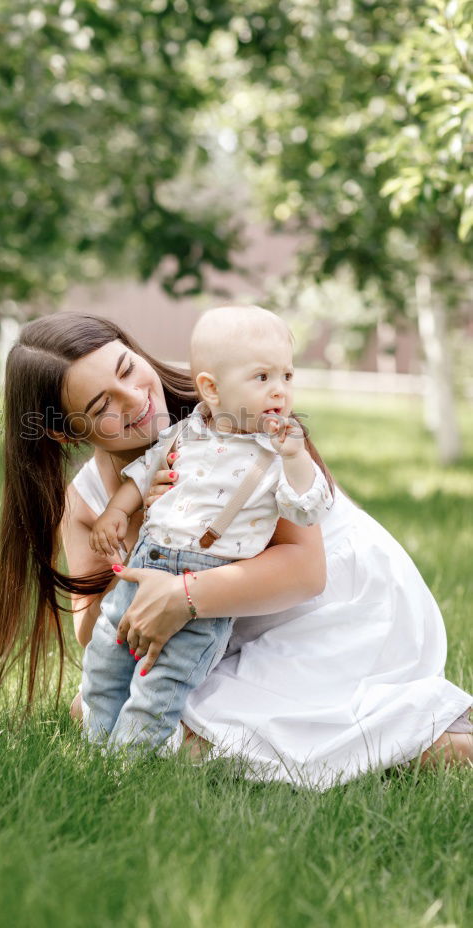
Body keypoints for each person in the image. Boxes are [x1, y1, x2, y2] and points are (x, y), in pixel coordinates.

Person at [0, 310, 472, 787]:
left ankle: (431, 739)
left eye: (127, 368)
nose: (136, 398)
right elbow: (97, 634)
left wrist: (184, 594)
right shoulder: (88, 502)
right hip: (232, 616)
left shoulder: (238, 416)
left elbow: (305, 570)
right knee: (91, 709)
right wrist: (141, 527)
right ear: (67, 432)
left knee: (187, 738)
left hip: (335, 605)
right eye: (102, 403)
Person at [82, 306, 334, 755]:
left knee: (162, 680)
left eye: (287, 376)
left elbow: (308, 508)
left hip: (208, 580)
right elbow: (142, 474)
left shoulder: (276, 452)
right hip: (145, 564)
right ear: (211, 389)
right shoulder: (184, 433)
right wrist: (115, 513)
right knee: (105, 659)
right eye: (262, 378)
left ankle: (127, 762)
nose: (279, 390)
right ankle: (94, 747)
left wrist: (295, 458)